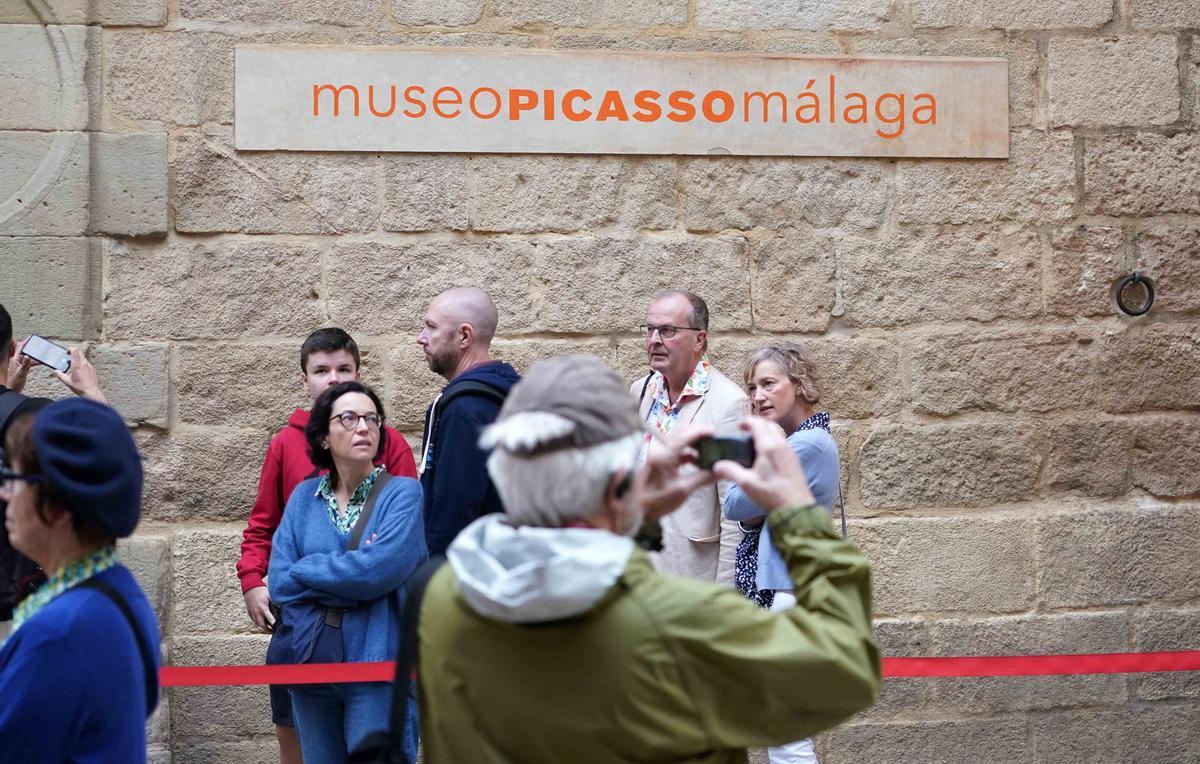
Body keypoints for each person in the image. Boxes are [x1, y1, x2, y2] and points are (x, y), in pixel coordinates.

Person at [417, 355, 880, 763]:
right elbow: (844, 670)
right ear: (618, 479)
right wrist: (798, 510)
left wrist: (633, 516)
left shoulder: (444, 599)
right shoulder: (681, 620)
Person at [236, 327, 416, 763]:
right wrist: (255, 578)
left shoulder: (396, 469)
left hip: (376, 649)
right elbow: (271, 548)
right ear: (305, 380)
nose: (333, 379)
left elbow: (386, 564)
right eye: (321, 370)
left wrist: (305, 569)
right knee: (300, 745)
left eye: (343, 369)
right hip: (309, 644)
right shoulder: (297, 476)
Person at [269, 381, 426, 762]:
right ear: (324, 436)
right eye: (349, 418)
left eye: (372, 419)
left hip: (377, 666)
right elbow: (280, 582)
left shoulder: (403, 494)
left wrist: (307, 568)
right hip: (312, 665)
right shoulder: (304, 498)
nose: (364, 427)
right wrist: (351, 579)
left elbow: (376, 572)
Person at [0, 398, 160, 762]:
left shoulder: (58, 631)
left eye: (13, 478)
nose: (3, 492)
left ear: (56, 505)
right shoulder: (119, 590)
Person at [724, 343, 841, 764]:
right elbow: (750, 511)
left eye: (769, 384)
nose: (758, 396)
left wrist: (763, 442)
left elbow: (735, 503)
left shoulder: (807, 445)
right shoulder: (798, 444)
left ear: (800, 384)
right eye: (752, 387)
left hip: (786, 593)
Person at [0, 302, 109, 642]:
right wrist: (91, 393)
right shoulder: (35, 419)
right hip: (19, 611)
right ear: (13, 348)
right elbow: (106, 472)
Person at [630, 290, 747, 583]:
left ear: (699, 339)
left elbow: (734, 515)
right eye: (650, 329)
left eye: (667, 330)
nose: (654, 339)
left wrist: (724, 595)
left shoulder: (728, 404)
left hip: (691, 579)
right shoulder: (641, 391)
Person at [416, 287, 519, 556]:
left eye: (431, 327)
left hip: (466, 570)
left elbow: (453, 510)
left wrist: (433, 572)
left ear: (464, 336)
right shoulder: (513, 394)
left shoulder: (464, 410)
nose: (421, 338)